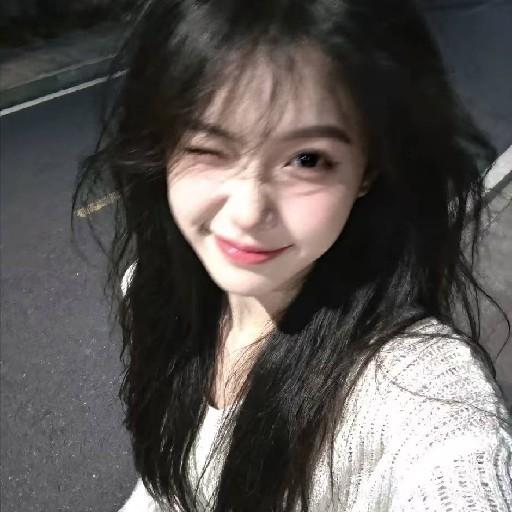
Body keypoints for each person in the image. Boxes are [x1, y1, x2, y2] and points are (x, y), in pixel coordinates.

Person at [71, 0, 512, 510]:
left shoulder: (410, 387)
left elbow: (457, 461)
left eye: (307, 160)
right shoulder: (151, 293)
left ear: (368, 170)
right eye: (206, 147)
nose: (247, 213)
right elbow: (166, 494)